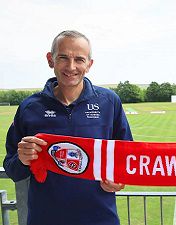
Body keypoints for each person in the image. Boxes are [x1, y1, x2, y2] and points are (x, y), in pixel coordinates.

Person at [3, 30, 133, 225]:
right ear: (50, 59)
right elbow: (12, 169)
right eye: (63, 57)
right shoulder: (30, 108)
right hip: (45, 219)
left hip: (100, 219)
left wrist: (119, 180)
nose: (71, 67)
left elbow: (127, 157)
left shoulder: (109, 102)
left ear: (89, 64)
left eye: (79, 59)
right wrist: (22, 160)